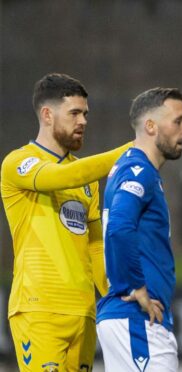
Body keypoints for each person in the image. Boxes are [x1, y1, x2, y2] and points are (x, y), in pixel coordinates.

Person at [0, 72, 131, 371]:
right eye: (74, 113)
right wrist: (131, 151)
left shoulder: (85, 179)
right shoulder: (19, 162)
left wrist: (115, 294)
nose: (83, 121)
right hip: (39, 309)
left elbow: (96, 245)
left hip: (84, 312)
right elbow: (60, 177)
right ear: (47, 115)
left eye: (85, 113)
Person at [96, 87, 182, 371]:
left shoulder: (133, 168)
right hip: (136, 319)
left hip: (133, 320)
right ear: (150, 126)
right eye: (178, 121)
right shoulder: (139, 170)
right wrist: (137, 286)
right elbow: (119, 226)